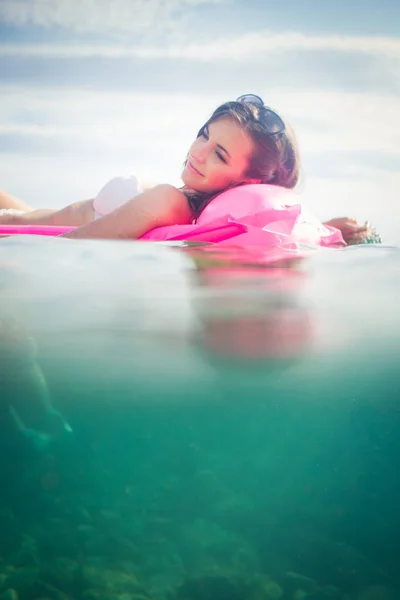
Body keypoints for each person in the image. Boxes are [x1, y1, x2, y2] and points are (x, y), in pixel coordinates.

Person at [0, 95, 371, 243]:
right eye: (204, 136)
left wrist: (328, 229)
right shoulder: (172, 199)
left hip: (89, 209)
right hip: (75, 213)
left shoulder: (181, 205)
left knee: (19, 211)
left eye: (220, 154)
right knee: (18, 215)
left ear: (249, 182)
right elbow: (72, 242)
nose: (198, 152)